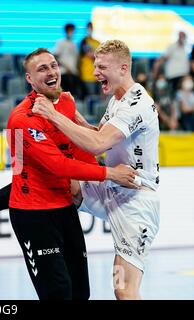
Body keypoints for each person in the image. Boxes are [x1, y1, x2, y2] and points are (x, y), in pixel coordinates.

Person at [0, 48, 138, 300]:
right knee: (58, 294)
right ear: (29, 79)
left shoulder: (66, 102)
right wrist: (110, 173)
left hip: (64, 207)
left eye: (53, 65)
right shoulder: (22, 118)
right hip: (34, 216)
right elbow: (60, 165)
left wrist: (94, 144)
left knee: (81, 294)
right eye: (42, 69)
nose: (51, 72)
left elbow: (75, 149)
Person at [32, 40, 160, 300]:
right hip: (112, 191)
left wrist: (53, 115)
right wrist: (76, 118)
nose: (94, 73)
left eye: (101, 67)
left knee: (123, 289)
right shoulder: (117, 99)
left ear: (123, 68)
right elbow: (100, 136)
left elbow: (97, 145)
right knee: (56, 181)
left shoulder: (136, 104)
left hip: (136, 204)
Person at [153, 31, 190, 98]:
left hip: (183, 76)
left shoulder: (186, 47)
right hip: (174, 76)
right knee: (172, 96)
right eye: (180, 36)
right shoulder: (172, 46)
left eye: (183, 36)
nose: (182, 38)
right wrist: (156, 69)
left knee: (183, 96)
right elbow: (163, 57)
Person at [54, 23, 82, 99]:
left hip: (73, 73)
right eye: (70, 30)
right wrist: (66, 67)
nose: (71, 32)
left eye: (73, 31)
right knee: (63, 96)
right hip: (63, 73)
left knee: (73, 96)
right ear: (66, 31)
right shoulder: (60, 42)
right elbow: (55, 57)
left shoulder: (74, 44)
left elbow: (76, 59)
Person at [79, 22, 100, 98]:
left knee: (98, 99)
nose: (90, 30)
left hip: (98, 75)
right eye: (88, 28)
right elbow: (90, 54)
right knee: (90, 98)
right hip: (87, 75)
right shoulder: (83, 42)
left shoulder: (97, 42)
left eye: (91, 28)